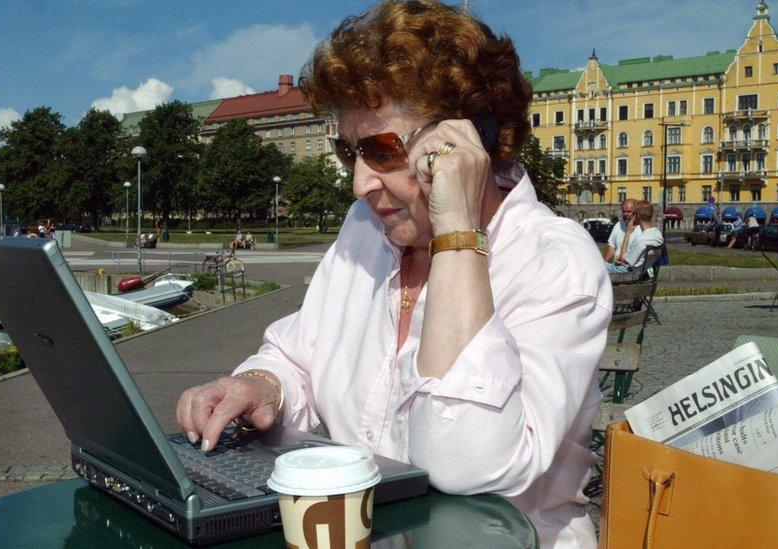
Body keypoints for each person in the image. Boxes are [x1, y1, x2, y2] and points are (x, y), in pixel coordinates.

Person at [175, 3, 611, 546]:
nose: (359, 184)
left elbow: (465, 461)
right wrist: (259, 385)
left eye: (382, 150)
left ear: (469, 140)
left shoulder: (552, 259)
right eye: (348, 151)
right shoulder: (367, 230)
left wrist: (456, 232)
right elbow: (299, 353)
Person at [606, 200, 664, 274]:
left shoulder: (641, 240)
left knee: (598, 265)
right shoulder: (657, 234)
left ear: (637, 216)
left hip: (631, 273)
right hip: (644, 271)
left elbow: (622, 259)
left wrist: (627, 233)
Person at [603, 198, 640, 264]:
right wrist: (602, 264)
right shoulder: (618, 225)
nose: (625, 214)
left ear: (636, 213)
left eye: (628, 212)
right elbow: (611, 248)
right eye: (623, 211)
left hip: (630, 267)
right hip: (617, 266)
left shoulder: (640, 229)